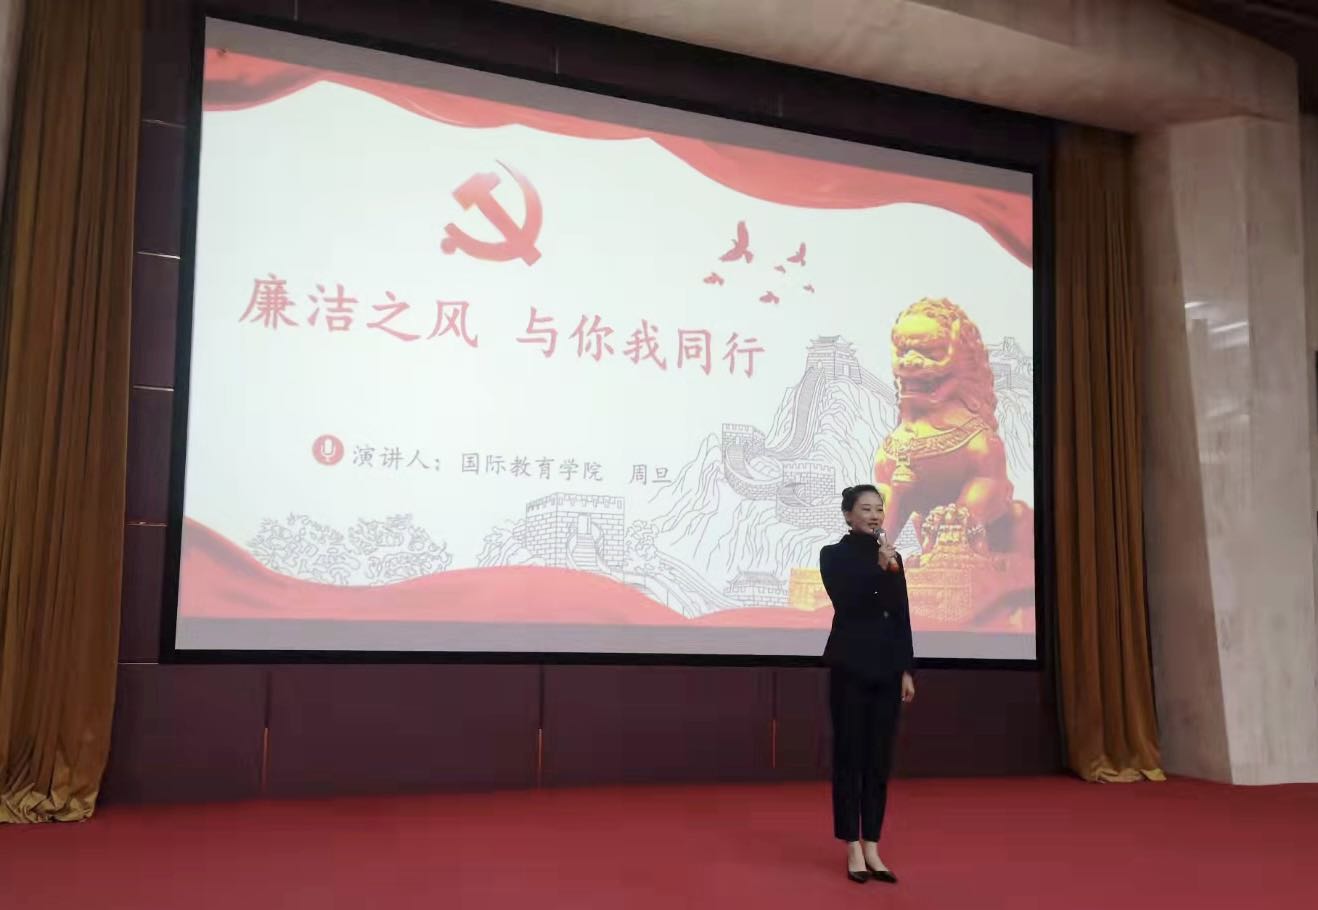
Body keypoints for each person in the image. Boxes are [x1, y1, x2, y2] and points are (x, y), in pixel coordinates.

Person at [819, 484, 916, 884]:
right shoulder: (833, 555)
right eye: (866, 508)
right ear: (848, 515)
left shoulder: (893, 557)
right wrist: (877, 568)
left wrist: (906, 669)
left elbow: (900, 614)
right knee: (850, 758)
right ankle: (852, 846)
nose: (875, 515)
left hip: (887, 669)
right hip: (850, 668)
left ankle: (873, 844)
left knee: (878, 760)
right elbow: (849, 603)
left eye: (879, 508)